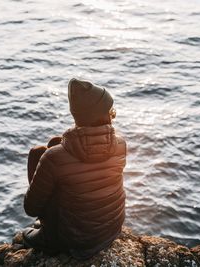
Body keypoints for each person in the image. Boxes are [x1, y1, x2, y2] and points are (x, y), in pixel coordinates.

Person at [22, 78, 127, 260]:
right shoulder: (120, 144)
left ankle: (48, 234)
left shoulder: (54, 157)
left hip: (73, 241)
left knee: (38, 153)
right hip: (110, 229)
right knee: (56, 143)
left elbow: (31, 208)